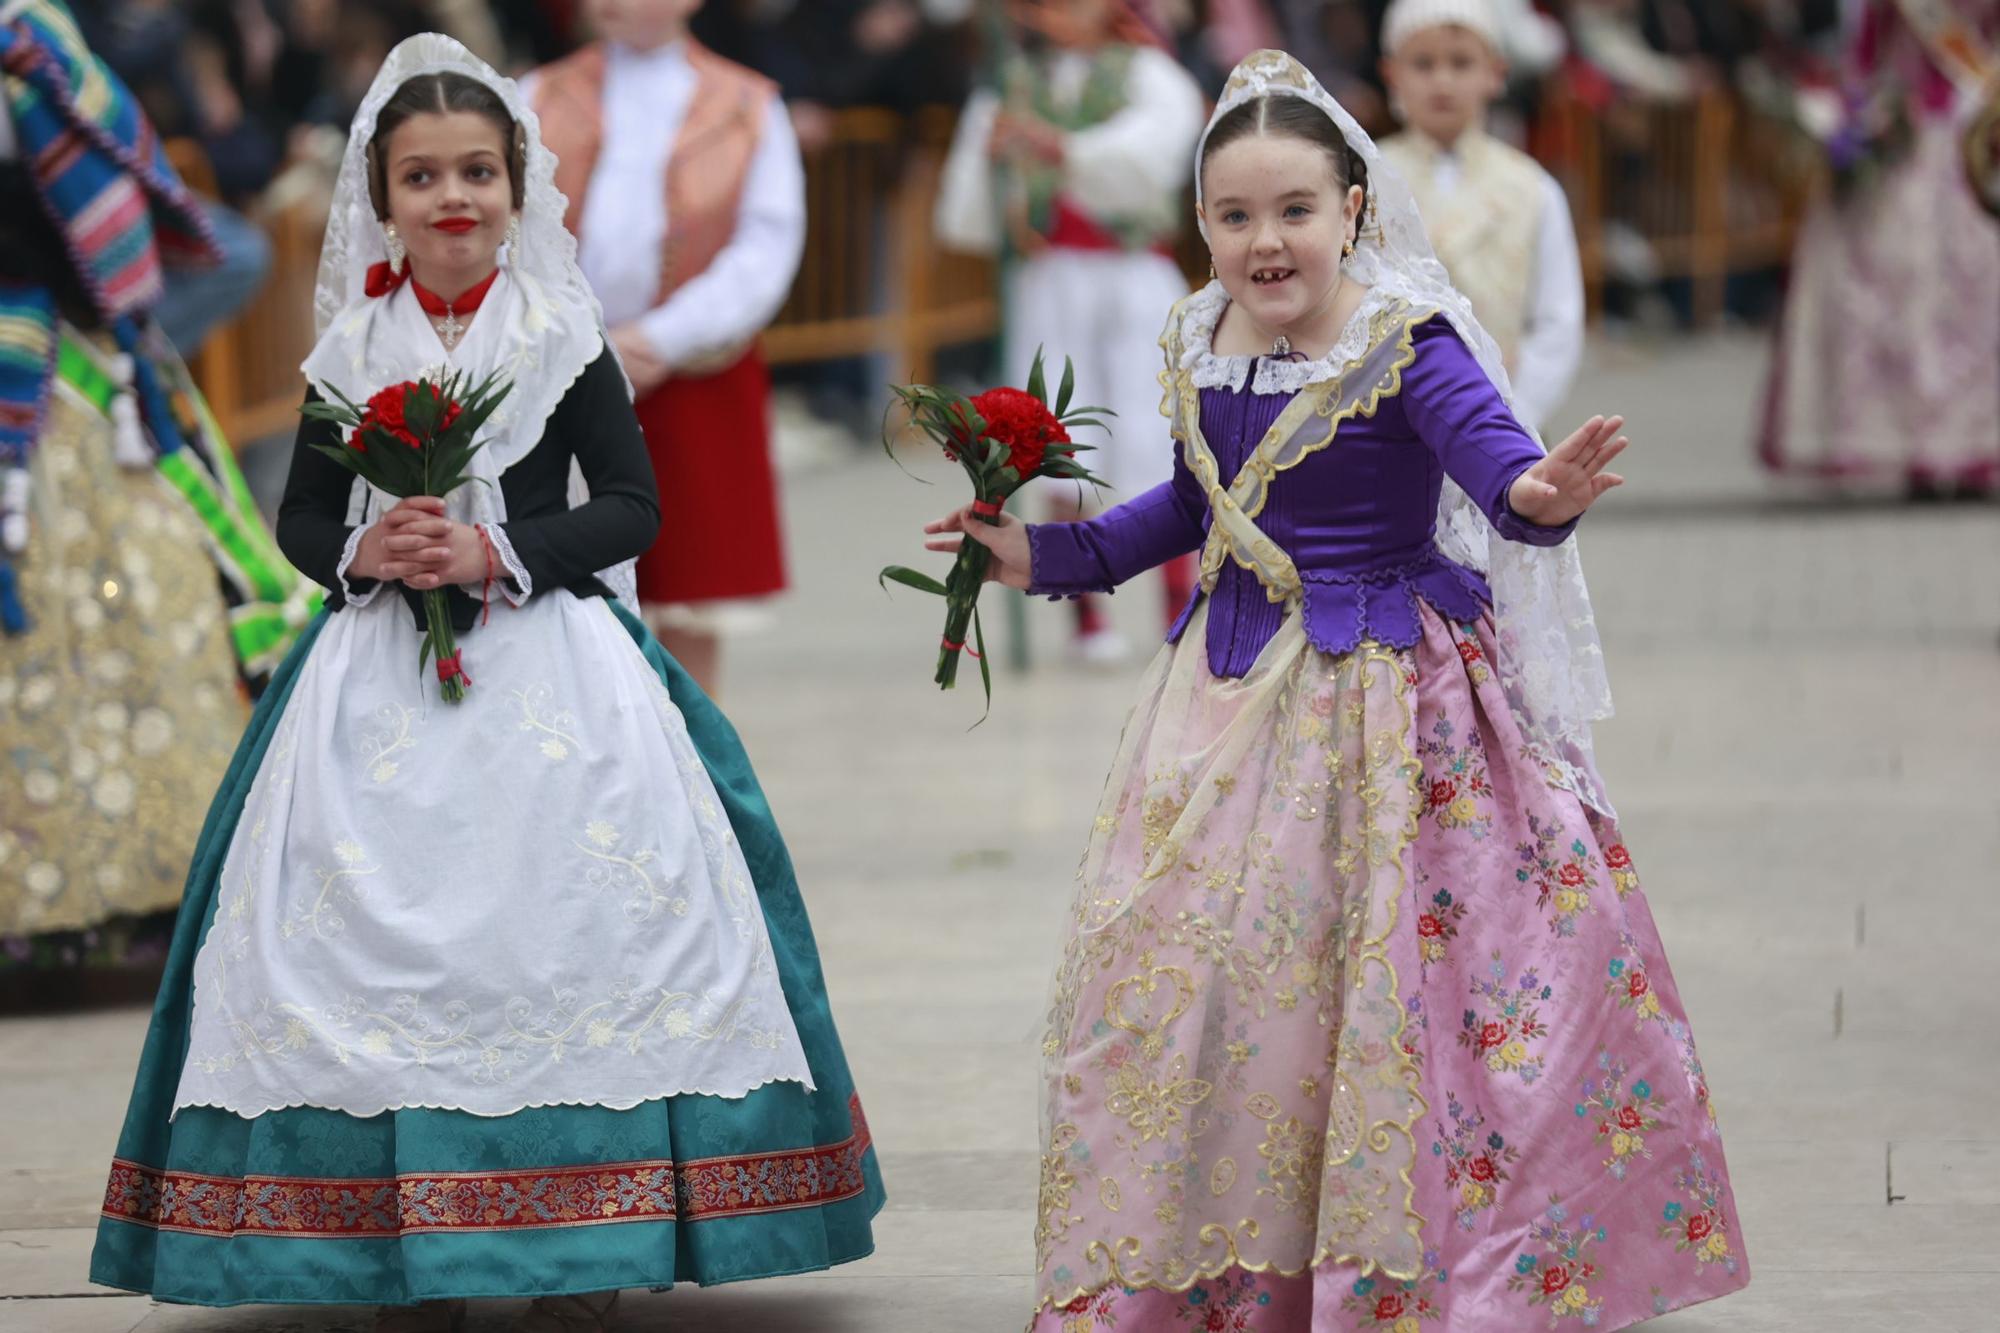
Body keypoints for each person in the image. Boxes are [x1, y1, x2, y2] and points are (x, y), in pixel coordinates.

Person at [923, 48, 1747, 1332]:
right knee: (1209, 986)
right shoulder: (1202, 344)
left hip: (1390, 704)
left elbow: (1496, 466)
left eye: (1294, 211)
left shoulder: (1401, 339)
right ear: (1199, 225)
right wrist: (1043, 554)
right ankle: (1226, 1265)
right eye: (1235, 215)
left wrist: (1539, 501)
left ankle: (1413, 1276)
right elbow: (1187, 511)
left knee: (1400, 990)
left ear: (1350, 209)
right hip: (1225, 698)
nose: (1266, 242)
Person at [89, 35, 881, 1332]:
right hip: (377, 675)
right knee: (360, 935)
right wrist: (366, 547)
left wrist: (494, 547)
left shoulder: (562, 329)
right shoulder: (352, 341)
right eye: (422, 178)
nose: (452, 200)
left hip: (550, 660)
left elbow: (631, 505)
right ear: (383, 199)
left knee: (581, 920)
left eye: (477, 174)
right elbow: (299, 518)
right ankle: (394, 1238)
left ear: (518, 189)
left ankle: (589, 1226)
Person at [0, 0, 311, 1008]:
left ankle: (139, 888)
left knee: (138, 605)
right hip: (57, 371)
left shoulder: (36, 40)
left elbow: (128, 228)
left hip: (70, 375)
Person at [526, 0, 806, 698]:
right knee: (566, 580)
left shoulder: (748, 104)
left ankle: (692, 757)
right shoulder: (535, 94)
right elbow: (518, 227)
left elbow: (766, 245)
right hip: (564, 367)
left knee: (690, 584)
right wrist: (578, 338)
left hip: (692, 368)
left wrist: (662, 337)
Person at [935, 0, 1205, 662]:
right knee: (1063, 432)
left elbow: (1161, 152)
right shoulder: (1010, 83)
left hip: (1136, 270)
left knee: (1156, 425)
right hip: (1053, 273)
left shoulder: (1149, 72)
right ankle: (1084, 612)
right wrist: (996, 160)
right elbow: (969, 214)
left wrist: (1065, 150)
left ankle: (1179, 600)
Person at [1759, 0, 2000, 497]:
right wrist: (1855, 115)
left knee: (1964, 296)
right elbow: (1866, 51)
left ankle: (1968, 445)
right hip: (1904, 133)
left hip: (1972, 130)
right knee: (1900, 291)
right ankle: (1914, 446)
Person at [1378, 0, 1583, 432]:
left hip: (1505, 416)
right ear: (1391, 74)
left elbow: (1558, 320)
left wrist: (1517, 411)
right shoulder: (1366, 179)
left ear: (1495, 73)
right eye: (1423, 63)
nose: (1443, 80)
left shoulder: (1533, 189)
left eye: (1461, 62)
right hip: (1392, 421)